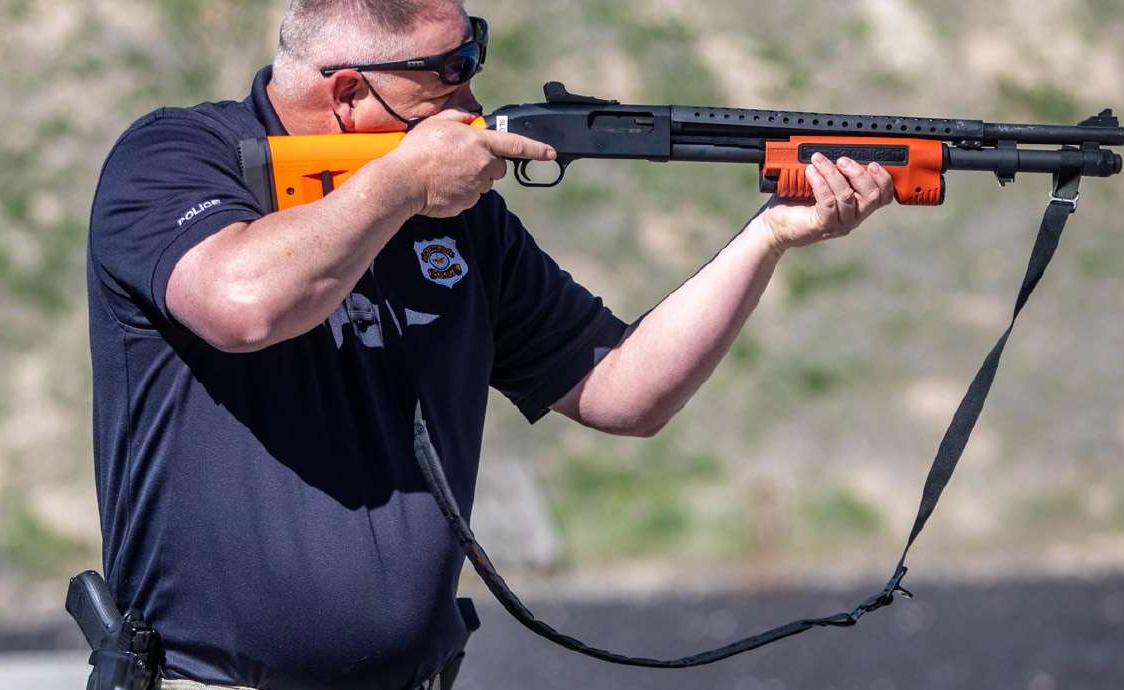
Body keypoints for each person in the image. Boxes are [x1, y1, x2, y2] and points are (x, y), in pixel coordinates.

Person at [86, 1, 895, 688]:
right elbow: (244, 305)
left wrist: (770, 237)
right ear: (348, 93)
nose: (472, 105)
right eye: (444, 81)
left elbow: (624, 389)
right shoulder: (175, 160)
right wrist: (403, 183)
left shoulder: (459, 218)